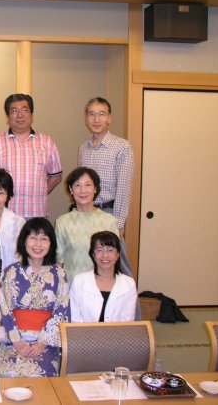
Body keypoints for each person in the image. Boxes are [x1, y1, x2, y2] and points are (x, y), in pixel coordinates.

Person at [0, 218, 69, 377]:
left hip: (46, 343)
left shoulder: (59, 274)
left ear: (51, 243)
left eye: (44, 239)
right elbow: (3, 309)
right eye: (33, 238)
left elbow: (61, 311)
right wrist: (17, 343)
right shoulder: (10, 272)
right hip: (13, 341)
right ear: (24, 241)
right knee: (7, 372)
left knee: (42, 373)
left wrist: (42, 343)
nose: (38, 244)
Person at [0, 93, 62, 219]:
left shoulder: (47, 142)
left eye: (25, 110)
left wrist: (39, 192)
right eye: (14, 111)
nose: (19, 115)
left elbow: (56, 177)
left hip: (37, 215)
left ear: (31, 115)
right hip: (4, 216)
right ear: (8, 116)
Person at [78, 97, 134, 237]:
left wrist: (119, 224)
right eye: (92, 114)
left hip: (109, 214)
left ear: (109, 118)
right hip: (85, 213)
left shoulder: (122, 147)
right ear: (86, 119)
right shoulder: (83, 148)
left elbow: (124, 189)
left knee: (109, 251)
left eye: (102, 114)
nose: (96, 119)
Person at [55, 167, 119, 284]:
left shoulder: (109, 221)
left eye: (88, 185)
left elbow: (114, 258)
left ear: (95, 189)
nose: (83, 190)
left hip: (101, 285)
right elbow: (58, 261)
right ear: (71, 190)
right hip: (71, 285)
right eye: (77, 185)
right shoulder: (62, 222)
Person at [70, 231, 137, 322]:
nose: (105, 255)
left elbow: (127, 321)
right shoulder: (79, 281)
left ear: (118, 254)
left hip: (118, 331)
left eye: (110, 250)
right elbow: (74, 319)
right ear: (93, 254)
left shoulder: (129, 284)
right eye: (99, 250)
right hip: (83, 331)